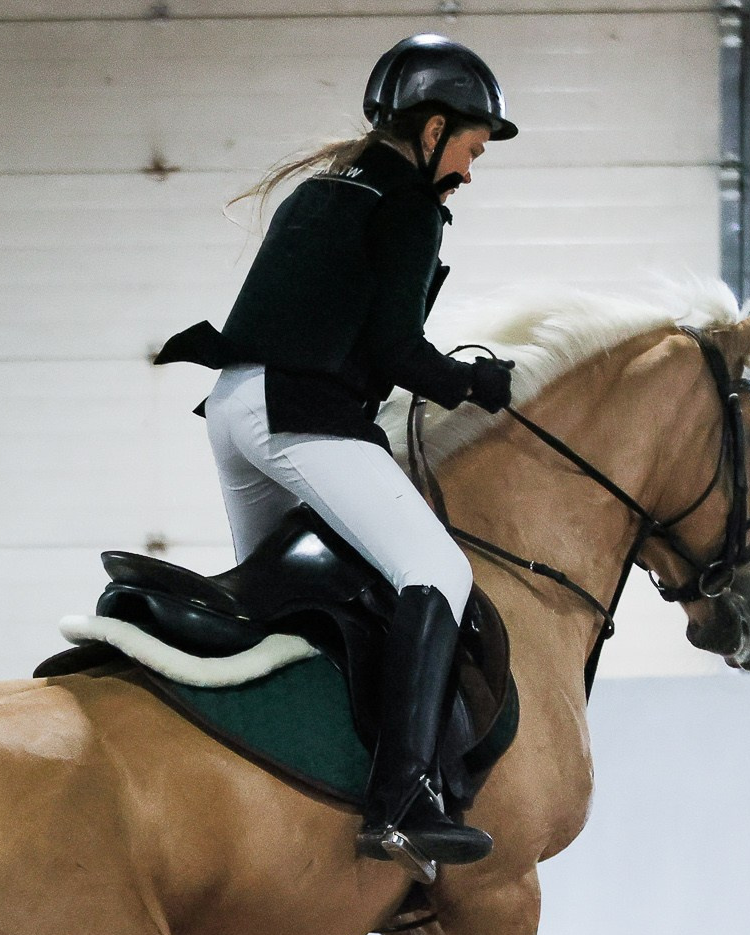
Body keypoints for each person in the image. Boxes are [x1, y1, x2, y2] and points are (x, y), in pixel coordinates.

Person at [154, 35, 519, 877]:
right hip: (299, 415)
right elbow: (393, 350)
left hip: (236, 406)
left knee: (284, 592)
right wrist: (472, 383)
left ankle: (277, 776)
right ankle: (401, 799)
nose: (471, 167)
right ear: (432, 129)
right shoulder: (408, 203)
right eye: (470, 146)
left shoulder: (324, 188)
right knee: (437, 570)